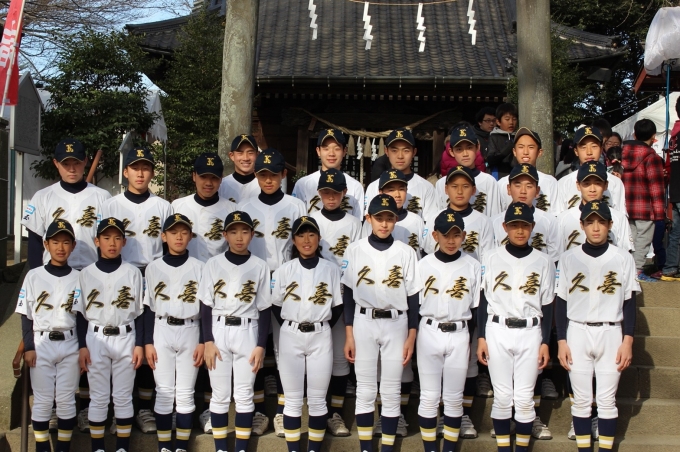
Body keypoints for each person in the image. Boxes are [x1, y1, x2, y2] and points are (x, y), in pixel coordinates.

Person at [21, 138, 112, 433]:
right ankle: (52, 408)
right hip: (53, 279)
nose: (72, 168)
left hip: (90, 276)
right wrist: (37, 279)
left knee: (88, 345)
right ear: (56, 164)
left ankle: (86, 408)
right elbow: (34, 243)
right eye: (66, 163)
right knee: (58, 343)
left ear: (85, 162)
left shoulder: (102, 197)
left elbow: (108, 238)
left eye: (77, 162)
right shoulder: (42, 197)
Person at [555, 201, 639, 452]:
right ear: (581, 225)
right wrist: (561, 340)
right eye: (590, 222)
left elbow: (629, 302)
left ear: (610, 224)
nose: (595, 227)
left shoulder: (623, 258)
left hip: (611, 331)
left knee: (606, 401)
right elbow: (561, 302)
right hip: (577, 330)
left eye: (601, 222)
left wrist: (628, 340)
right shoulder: (568, 258)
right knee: (581, 401)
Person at [343, 194, 422, 452]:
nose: (384, 223)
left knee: (390, 390)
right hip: (364, 321)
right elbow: (348, 295)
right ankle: (366, 448)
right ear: (369, 218)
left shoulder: (406, 252)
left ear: (396, 220)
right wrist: (349, 334)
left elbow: (413, 297)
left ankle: (387, 448)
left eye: (390, 218)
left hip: (396, 322)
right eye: (379, 218)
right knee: (365, 390)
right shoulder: (354, 250)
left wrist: (412, 335)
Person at [102, 146, 172, 434]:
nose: (140, 173)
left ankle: (144, 407)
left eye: (146, 168)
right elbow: (103, 242)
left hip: (153, 274)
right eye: (135, 167)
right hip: (120, 273)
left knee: (147, 340)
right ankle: (114, 408)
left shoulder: (163, 206)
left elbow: (168, 247)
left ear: (152, 173)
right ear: (126, 171)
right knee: (119, 342)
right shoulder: (111, 205)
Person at [238, 148, 307, 436]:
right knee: (252, 346)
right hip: (251, 279)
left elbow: (302, 246)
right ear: (256, 175)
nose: (268, 180)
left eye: (274, 174)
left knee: (283, 348)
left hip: (284, 279)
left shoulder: (295, 206)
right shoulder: (245, 205)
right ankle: (255, 411)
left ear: (283, 174)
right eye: (263, 174)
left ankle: (282, 410)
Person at [477, 202, 555, 452]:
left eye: (524, 225)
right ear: (504, 227)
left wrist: (545, 342)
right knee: (502, 397)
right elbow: (483, 299)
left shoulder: (544, 261)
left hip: (531, 331)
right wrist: (481, 337)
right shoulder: (490, 257)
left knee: (523, 398)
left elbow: (548, 305)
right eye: (514, 225)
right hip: (498, 328)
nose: (519, 230)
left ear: (532, 226)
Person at [199, 210, 272, 452]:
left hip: (247, 330)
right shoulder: (212, 264)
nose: (239, 237)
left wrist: (261, 345)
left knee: (244, 394)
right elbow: (205, 305)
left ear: (252, 234)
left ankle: (241, 448)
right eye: (233, 231)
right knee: (219, 395)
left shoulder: (260, 266)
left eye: (244, 231)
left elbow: (264, 308)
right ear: (225, 235)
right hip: (218, 330)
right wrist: (208, 340)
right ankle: (221, 448)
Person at [269, 216, 343, 452]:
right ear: (293, 240)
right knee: (292, 401)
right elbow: (275, 306)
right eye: (301, 235)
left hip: (321, 334)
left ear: (319, 238)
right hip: (291, 334)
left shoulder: (331, 269)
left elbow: (338, 307)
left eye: (311, 234)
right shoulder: (283, 271)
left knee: (318, 401)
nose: (307, 240)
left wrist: (320, 326)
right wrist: (293, 326)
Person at [74, 218, 144, 452]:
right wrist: (82, 346)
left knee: (123, 396)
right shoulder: (85, 274)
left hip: (126, 335)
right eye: (106, 237)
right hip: (96, 336)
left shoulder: (133, 272)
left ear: (124, 241)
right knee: (99, 396)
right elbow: (80, 313)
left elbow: (141, 311)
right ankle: (98, 448)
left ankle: (122, 447)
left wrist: (140, 344)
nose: (112, 243)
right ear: (97, 241)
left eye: (116, 238)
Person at [416, 209, 481, 452]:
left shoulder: (473, 265)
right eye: (445, 235)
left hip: (459, 332)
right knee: (429, 396)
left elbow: (476, 308)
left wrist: (471, 340)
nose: (451, 240)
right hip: (429, 330)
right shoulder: (423, 265)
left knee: (454, 398)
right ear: (435, 236)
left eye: (456, 234)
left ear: (463, 235)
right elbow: (415, 306)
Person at [16, 220, 82, 452]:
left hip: (70, 342)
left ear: (73, 245)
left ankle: (63, 448)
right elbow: (26, 314)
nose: (60, 247)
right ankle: (42, 448)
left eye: (65, 242)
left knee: (66, 400)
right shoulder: (34, 276)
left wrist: (83, 347)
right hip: (42, 342)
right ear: (46, 244)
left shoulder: (79, 277)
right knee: (43, 400)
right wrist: (29, 346)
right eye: (55, 242)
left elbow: (83, 317)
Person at [143, 214, 205, 452]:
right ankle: (164, 446)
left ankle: (181, 446)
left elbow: (206, 308)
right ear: (163, 236)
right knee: (164, 392)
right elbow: (148, 308)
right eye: (173, 232)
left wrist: (203, 340)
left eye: (184, 232)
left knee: (186, 392)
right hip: (162, 328)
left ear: (190, 236)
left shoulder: (200, 267)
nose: (179, 237)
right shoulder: (153, 268)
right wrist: (147, 342)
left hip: (191, 327)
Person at [310, 168, 362, 437]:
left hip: (344, 294)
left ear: (344, 193)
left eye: (336, 192)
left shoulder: (354, 223)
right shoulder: (311, 220)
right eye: (326, 192)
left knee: (340, 358)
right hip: (316, 296)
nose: (331, 197)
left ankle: (336, 414)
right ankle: (316, 410)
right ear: (319, 194)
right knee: (316, 356)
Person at [621, 119, 665, 282]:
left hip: (625, 206)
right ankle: (637, 270)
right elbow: (656, 187)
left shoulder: (621, 154)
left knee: (629, 239)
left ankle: (627, 270)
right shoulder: (651, 157)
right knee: (643, 240)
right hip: (645, 208)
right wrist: (659, 214)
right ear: (653, 137)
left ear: (634, 135)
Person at [171, 153, 236, 263]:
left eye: (214, 177)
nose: (208, 183)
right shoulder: (177, 206)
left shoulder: (232, 209)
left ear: (221, 178)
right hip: (185, 269)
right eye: (203, 177)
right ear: (194, 176)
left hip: (218, 270)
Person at [557, 162, 633, 253]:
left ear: (606, 185)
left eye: (597, 183)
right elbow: (558, 255)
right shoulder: (563, 219)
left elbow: (625, 255)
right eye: (587, 184)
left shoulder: (619, 218)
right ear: (578, 185)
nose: (592, 189)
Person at [364, 128, 438, 221]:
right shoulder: (374, 187)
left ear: (414, 152)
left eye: (406, 150)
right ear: (386, 151)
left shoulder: (426, 187)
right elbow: (370, 223)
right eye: (394, 150)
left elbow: (430, 223)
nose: (400, 156)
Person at [292, 128, 365, 219]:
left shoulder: (355, 186)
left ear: (344, 151)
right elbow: (297, 219)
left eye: (337, 149)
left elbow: (358, 221)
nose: (331, 154)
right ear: (318, 151)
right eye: (326, 148)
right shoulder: (303, 184)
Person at [436, 123, 502, 217]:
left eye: (469, 147)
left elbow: (495, 216)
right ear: (451, 151)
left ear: (477, 147)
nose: (465, 154)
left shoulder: (489, 181)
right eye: (459, 149)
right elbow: (438, 215)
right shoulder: (442, 183)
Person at [557, 127, 627, 214]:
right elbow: (560, 218)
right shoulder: (563, 183)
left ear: (601, 149)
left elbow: (620, 217)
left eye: (594, 146)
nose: (589, 152)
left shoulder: (615, 182)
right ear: (576, 151)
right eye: (583, 147)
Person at [363, 170, 425, 258]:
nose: (397, 194)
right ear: (381, 192)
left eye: (401, 189)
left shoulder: (417, 220)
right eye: (391, 190)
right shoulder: (371, 221)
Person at [497, 127, 559, 215]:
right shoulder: (501, 184)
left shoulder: (550, 182)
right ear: (514, 151)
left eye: (531, 147)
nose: (525, 152)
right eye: (521, 147)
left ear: (539, 152)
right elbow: (499, 216)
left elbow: (556, 215)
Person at [660, 97, 680, 280]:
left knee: (676, 233)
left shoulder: (674, 137)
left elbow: (668, 166)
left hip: (675, 190)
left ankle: (670, 267)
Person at [219, 134, 261, 203]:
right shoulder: (221, 185)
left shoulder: (264, 185)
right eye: (240, 153)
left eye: (250, 153)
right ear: (232, 156)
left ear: (257, 155)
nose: (245, 158)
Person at [486, 103, 518, 179]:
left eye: (514, 119)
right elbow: (490, 159)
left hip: (516, 176)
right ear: (498, 122)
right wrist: (507, 149)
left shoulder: (518, 137)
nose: (511, 122)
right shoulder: (494, 137)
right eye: (507, 119)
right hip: (499, 176)